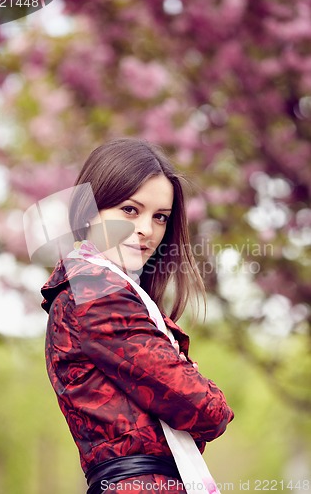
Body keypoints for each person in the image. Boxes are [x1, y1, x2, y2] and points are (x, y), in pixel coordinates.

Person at [41, 138, 234, 494]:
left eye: (160, 217)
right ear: (89, 210)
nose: (147, 229)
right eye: (130, 210)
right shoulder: (96, 296)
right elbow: (206, 410)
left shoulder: (101, 292)